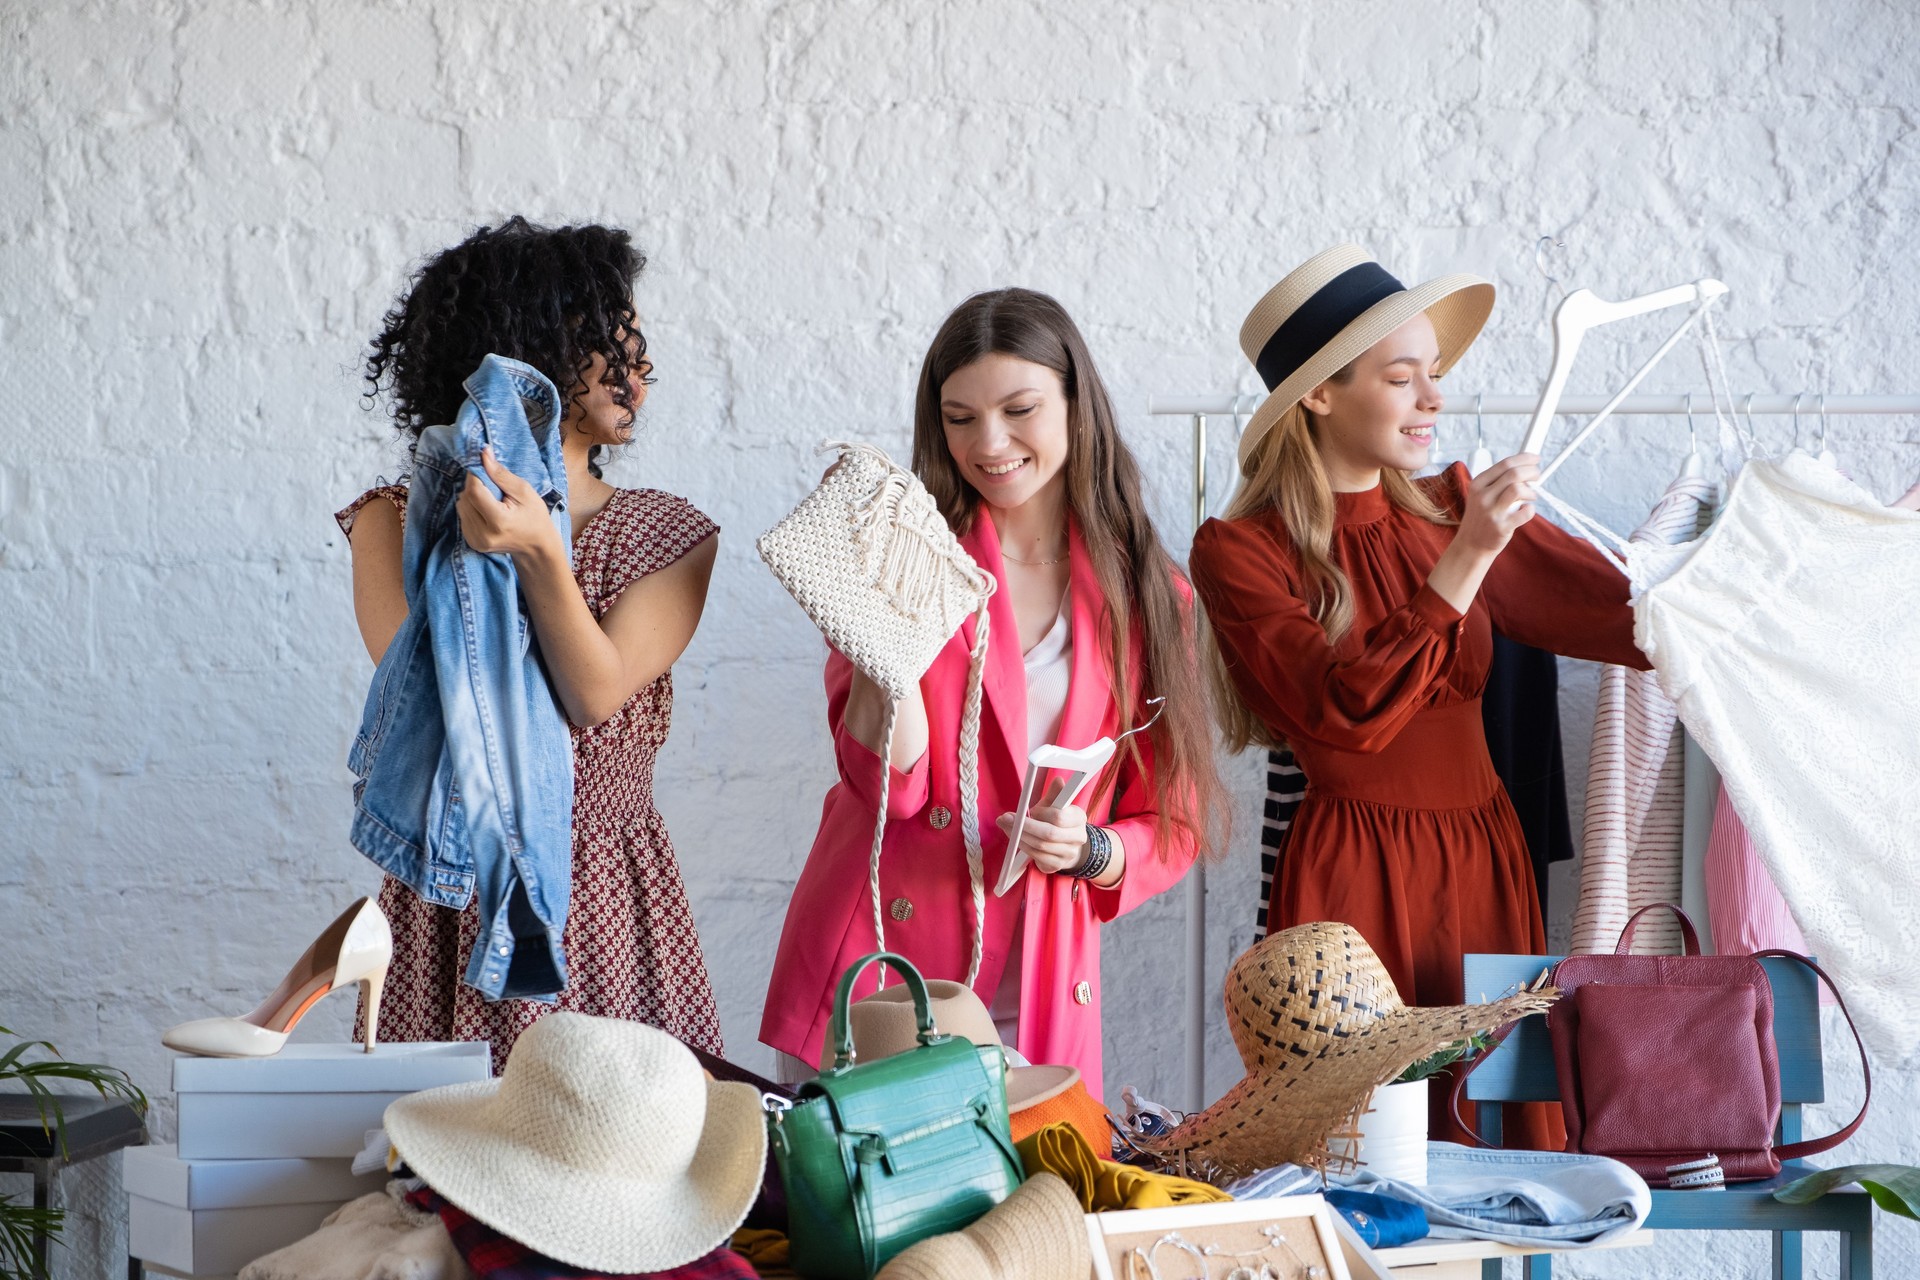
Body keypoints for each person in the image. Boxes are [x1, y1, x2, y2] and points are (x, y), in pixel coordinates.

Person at [1188, 245, 1648, 1147]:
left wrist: (1806, 571)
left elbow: (1626, 617)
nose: (1436, 399)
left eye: (1433, 374)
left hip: (1484, 856)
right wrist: (1468, 556)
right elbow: (1342, 717)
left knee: (1499, 1150)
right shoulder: (1239, 549)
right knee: (1363, 1154)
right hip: (1352, 878)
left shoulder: (1449, 505)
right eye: (1403, 379)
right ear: (1318, 393)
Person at [761, 288, 1222, 1095]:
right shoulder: (901, 560)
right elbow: (887, 794)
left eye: (1019, 409)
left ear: (1078, 407)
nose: (992, 442)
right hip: (883, 977)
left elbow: (1172, 821)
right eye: (961, 416)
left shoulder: (1150, 594)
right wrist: (887, 647)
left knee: (1026, 1215)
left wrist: (1093, 849)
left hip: (1041, 979)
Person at [338, 217, 723, 1073]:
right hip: (454, 878)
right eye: (610, 346)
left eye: (638, 350)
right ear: (531, 352)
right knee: (446, 1175)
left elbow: (595, 694)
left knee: (617, 1160)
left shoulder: (664, 534)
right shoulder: (389, 521)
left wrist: (543, 551)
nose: (639, 376)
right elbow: (429, 689)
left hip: (604, 897)